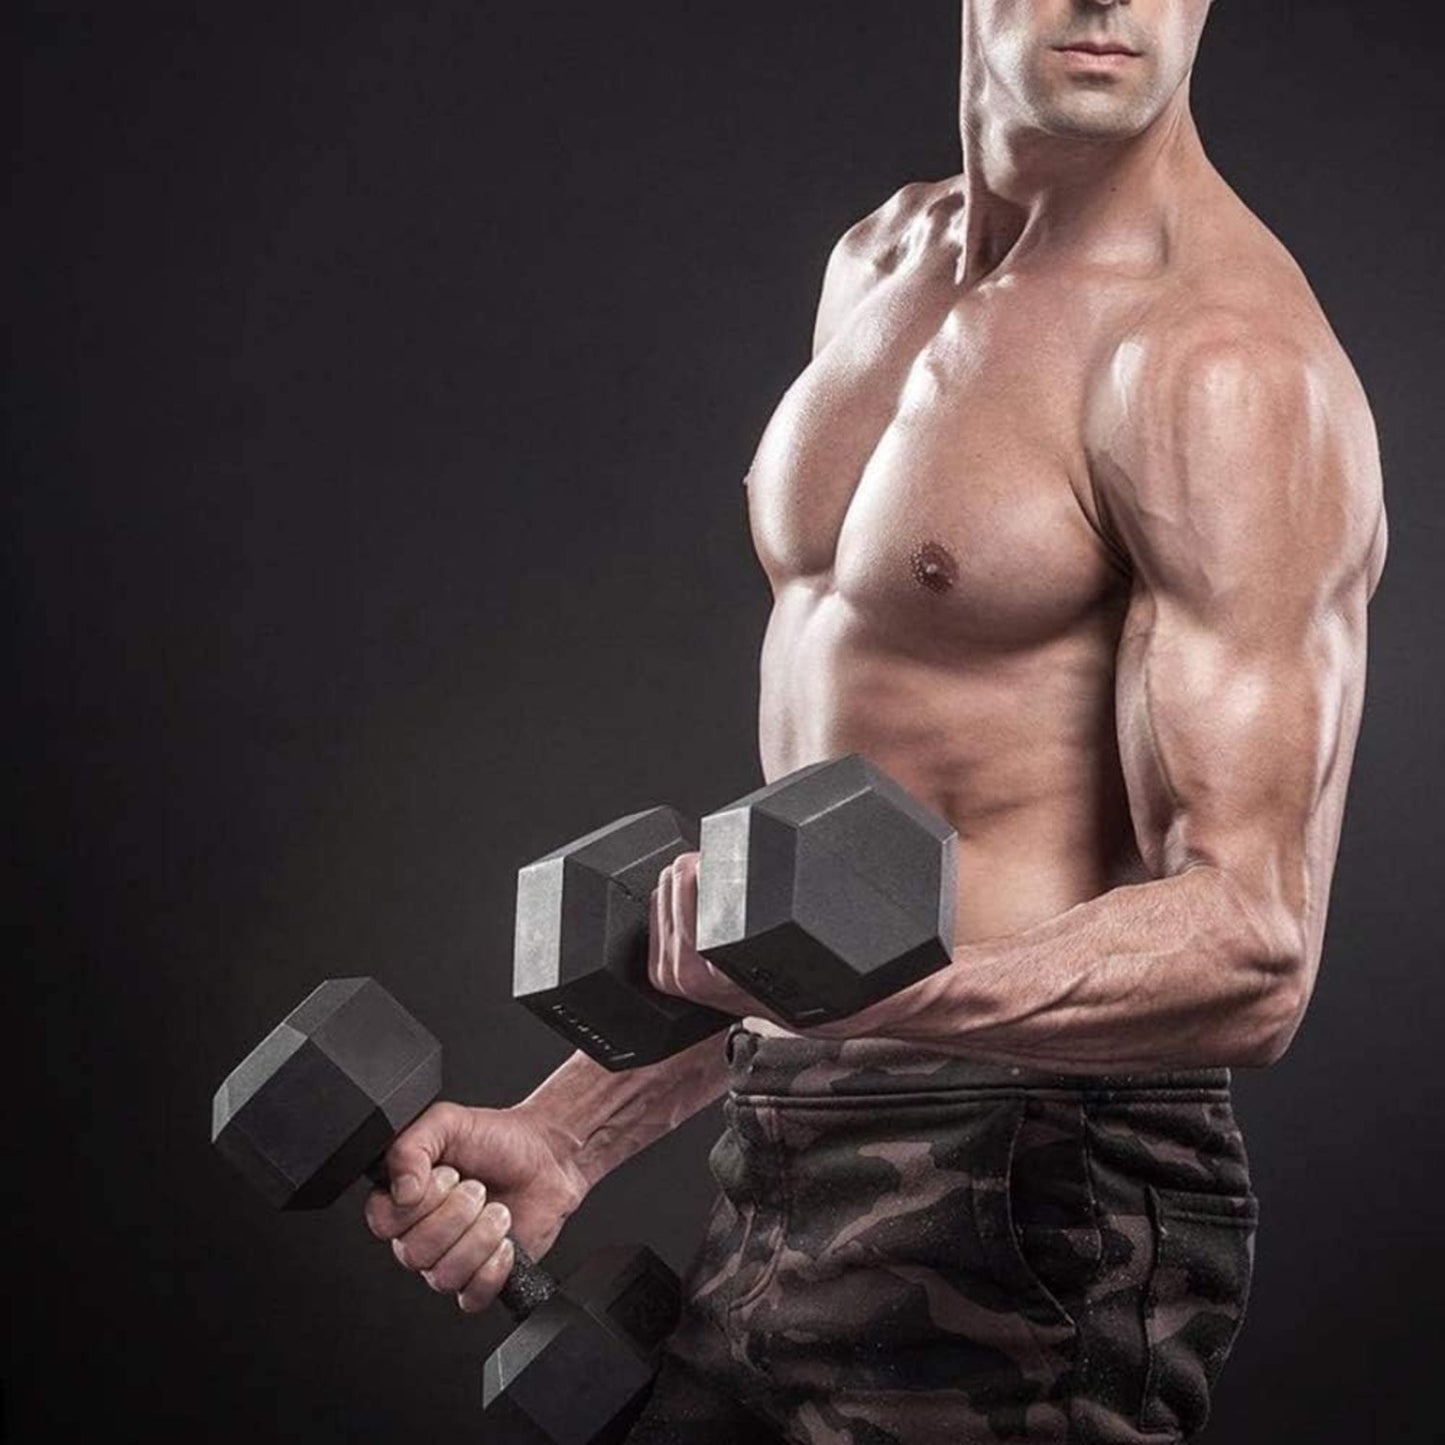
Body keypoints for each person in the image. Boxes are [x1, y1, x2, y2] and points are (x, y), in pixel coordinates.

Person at [365, 2, 1387, 1440]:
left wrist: (874, 1005)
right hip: (785, 1153)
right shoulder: (877, 266)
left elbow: (1254, 948)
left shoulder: (1219, 365)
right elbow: (835, 879)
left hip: (1038, 1189)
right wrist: (571, 1129)